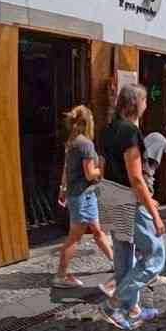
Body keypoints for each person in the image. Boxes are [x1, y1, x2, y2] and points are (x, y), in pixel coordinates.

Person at [99, 84, 166, 331]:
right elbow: (136, 178)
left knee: (123, 259)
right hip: (129, 201)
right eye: (145, 100)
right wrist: (155, 213)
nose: (147, 105)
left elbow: (103, 168)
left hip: (111, 197)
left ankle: (132, 309)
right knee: (155, 257)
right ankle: (113, 304)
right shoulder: (129, 132)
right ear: (136, 103)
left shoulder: (108, 130)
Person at [54, 106, 113, 288]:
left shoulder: (72, 141)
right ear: (88, 123)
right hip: (83, 195)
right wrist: (102, 168)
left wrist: (63, 188)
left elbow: (66, 168)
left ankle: (115, 262)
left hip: (80, 194)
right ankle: (61, 276)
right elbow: (90, 174)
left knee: (97, 231)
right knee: (75, 238)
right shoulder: (86, 144)